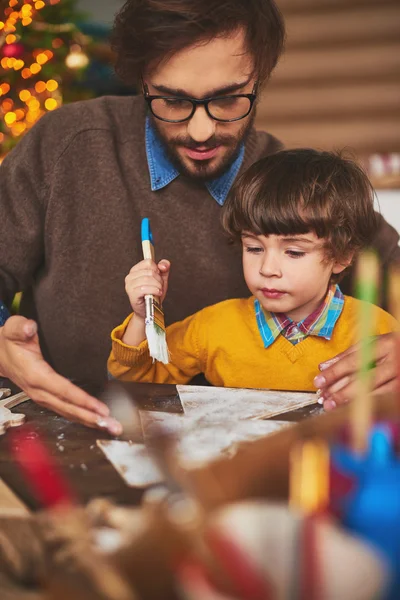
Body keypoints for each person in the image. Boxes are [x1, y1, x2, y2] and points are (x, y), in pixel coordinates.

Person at [0, 1, 399, 432]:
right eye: (172, 100)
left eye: (228, 98)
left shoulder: (289, 188)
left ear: (259, 78)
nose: (201, 131)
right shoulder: (65, 146)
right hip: (64, 442)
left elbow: (389, 264)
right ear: (142, 81)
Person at [107, 149, 398, 392]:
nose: (267, 269)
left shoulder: (377, 331)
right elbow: (133, 382)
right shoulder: (212, 328)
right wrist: (142, 316)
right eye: (254, 248)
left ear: (342, 257)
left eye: (294, 252)